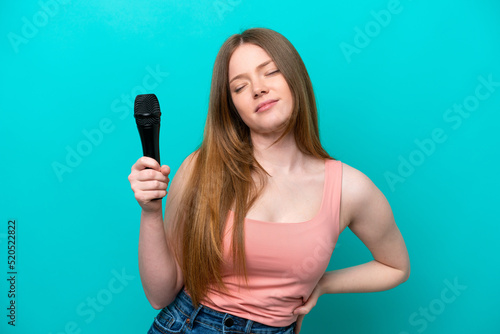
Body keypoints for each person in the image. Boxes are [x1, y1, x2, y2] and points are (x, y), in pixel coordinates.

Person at [128, 27, 410, 334]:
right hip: (187, 323)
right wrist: (151, 211)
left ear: (295, 78)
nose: (258, 89)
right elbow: (160, 295)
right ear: (232, 107)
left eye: (271, 72)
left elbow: (395, 267)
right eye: (239, 87)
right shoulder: (201, 169)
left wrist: (323, 283)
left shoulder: (349, 188)